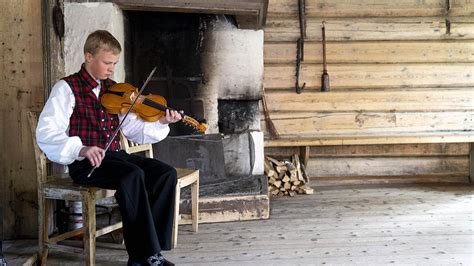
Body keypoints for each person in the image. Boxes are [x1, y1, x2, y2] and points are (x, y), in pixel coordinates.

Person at [36, 30, 180, 266]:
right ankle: (142, 257)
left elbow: (134, 128)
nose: (111, 68)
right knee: (133, 175)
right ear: (88, 56)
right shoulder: (66, 88)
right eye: (106, 62)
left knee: (165, 174)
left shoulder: (116, 90)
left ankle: (152, 251)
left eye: (114, 63)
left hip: (116, 157)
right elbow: (47, 133)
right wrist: (81, 149)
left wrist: (162, 121)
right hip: (86, 163)